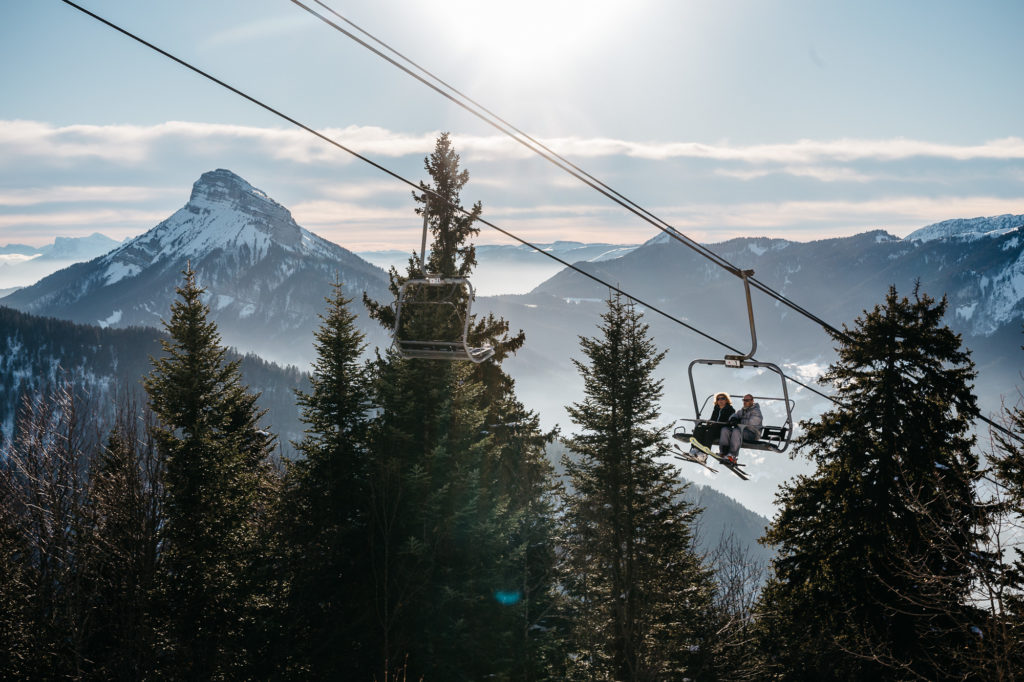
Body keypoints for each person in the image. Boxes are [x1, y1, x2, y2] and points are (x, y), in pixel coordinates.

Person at [719, 394, 762, 465]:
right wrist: (733, 418)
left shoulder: (756, 411)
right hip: (742, 431)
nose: (744, 402)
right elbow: (736, 414)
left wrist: (739, 422)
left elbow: (753, 423)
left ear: (752, 401)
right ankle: (724, 452)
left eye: (747, 400)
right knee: (725, 430)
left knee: (736, 431)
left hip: (751, 434)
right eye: (744, 400)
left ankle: (732, 455)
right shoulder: (743, 410)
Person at [691, 392, 734, 459]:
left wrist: (715, 423)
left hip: (721, 429)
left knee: (709, 431)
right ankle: (695, 449)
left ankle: (704, 454)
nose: (720, 400)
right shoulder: (716, 408)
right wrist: (709, 421)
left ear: (726, 400)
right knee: (699, 428)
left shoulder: (731, 410)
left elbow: (730, 421)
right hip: (713, 426)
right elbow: (713, 419)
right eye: (718, 399)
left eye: (722, 398)